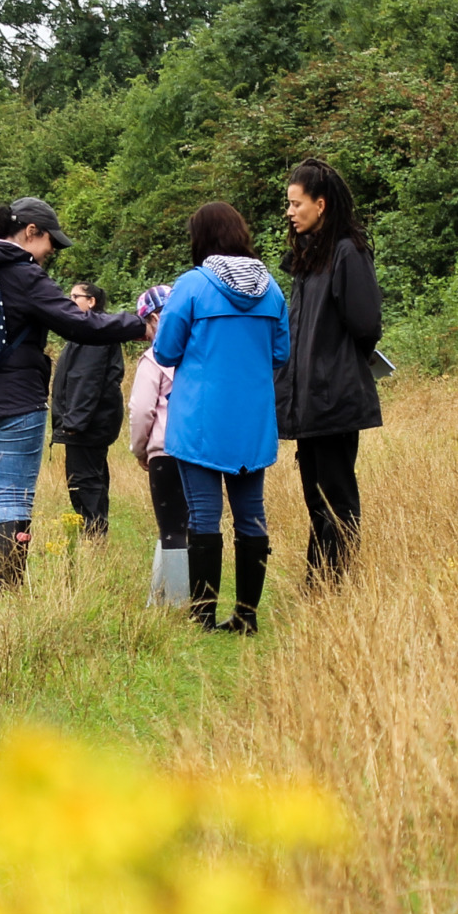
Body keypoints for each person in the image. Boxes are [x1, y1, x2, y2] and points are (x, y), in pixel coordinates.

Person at [0, 197, 146, 589]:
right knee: (14, 498)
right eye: (49, 244)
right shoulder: (23, 274)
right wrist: (139, 326)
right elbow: (78, 324)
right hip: (15, 402)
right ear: (30, 232)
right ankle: (9, 597)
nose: (50, 254)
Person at [148, 201, 291, 634]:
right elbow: (280, 354)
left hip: (200, 422)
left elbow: (165, 350)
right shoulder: (272, 290)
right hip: (253, 423)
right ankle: (247, 616)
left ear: (201, 238)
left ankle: (203, 616)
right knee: (251, 516)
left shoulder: (191, 286)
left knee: (204, 517)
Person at [276, 157, 384, 587]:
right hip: (308, 401)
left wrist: (332, 367)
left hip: (334, 398)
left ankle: (335, 586)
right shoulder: (309, 257)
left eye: (296, 203)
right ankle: (317, 582)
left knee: (336, 496)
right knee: (314, 496)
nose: (290, 211)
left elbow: (366, 325)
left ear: (320, 204)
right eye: (288, 204)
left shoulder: (347, 252)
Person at [49, 281, 125, 538]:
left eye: (75, 296)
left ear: (91, 301)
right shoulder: (86, 331)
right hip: (87, 424)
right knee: (89, 480)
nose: (69, 301)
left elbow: (87, 380)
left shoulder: (95, 332)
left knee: (85, 482)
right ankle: (93, 535)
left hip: (87, 426)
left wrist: (73, 424)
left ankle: (94, 539)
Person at [124, 284, 186, 601]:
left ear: (153, 319)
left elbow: (141, 409)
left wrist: (139, 450)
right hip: (200, 451)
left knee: (170, 528)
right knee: (193, 525)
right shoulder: (199, 352)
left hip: (164, 451)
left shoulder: (153, 359)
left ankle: (177, 602)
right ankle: (159, 595)